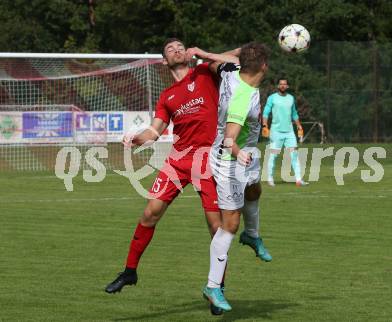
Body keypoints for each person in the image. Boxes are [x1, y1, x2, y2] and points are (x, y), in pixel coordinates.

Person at [104, 38, 240, 298]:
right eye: (170, 49)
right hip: (178, 161)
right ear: (164, 61)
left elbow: (238, 57)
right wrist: (134, 138)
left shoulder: (205, 72)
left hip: (207, 160)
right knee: (149, 213)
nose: (177, 49)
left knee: (216, 229)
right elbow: (153, 132)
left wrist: (203, 53)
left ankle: (217, 287)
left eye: (181, 46)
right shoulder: (167, 96)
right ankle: (130, 271)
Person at [203, 42, 272, 312]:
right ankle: (212, 285)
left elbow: (214, 64)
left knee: (254, 191)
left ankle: (252, 236)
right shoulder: (242, 97)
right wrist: (238, 152)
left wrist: (208, 54)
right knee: (229, 225)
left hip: (246, 155)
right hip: (229, 160)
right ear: (264, 67)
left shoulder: (231, 71)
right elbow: (229, 138)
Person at [262, 78, 308, 186]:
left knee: (294, 155)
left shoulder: (291, 98)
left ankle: (298, 179)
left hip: (289, 132)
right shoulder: (272, 98)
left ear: (287, 86)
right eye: (281, 84)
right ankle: (270, 178)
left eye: (285, 84)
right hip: (276, 132)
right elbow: (265, 112)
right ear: (278, 86)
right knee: (274, 155)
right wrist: (265, 125)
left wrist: (299, 126)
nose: (283, 86)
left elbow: (294, 114)